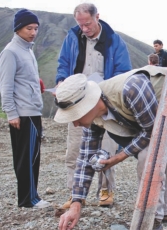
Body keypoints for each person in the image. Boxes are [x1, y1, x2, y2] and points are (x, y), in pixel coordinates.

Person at [54, 65, 167, 230]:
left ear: (88, 105)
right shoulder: (92, 117)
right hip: (149, 117)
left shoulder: (131, 89)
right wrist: (76, 204)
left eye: (75, 117)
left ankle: (151, 224)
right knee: (160, 157)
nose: (75, 124)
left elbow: (151, 132)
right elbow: (85, 159)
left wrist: (119, 157)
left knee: (149, 156)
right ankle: (166, 212)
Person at [54, 2, 132, 212]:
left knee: (106, 148)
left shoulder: (115, 41)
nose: (84, 28)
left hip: (102, 104)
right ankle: (75, 194)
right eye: (80, 25)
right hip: (77, 103)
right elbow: (63, 63)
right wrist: (61, 80)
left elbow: (124, 72)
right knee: (75, 149)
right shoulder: (72, 38)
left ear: (97, 17)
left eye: (87, 23)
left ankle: (105, 191)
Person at [0, 9, 50, 209]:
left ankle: (31, 196)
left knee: (33, 156)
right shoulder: (10, 51)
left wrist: (36, 82)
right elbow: (6, 85)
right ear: (18, 28)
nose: (33, 32)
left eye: (36, 28)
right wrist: (11, 113)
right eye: (29, 28)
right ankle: (28, 199)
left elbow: (23, 77)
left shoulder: (27, 50)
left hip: (33, 110)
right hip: (23, 113)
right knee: (25, 157)